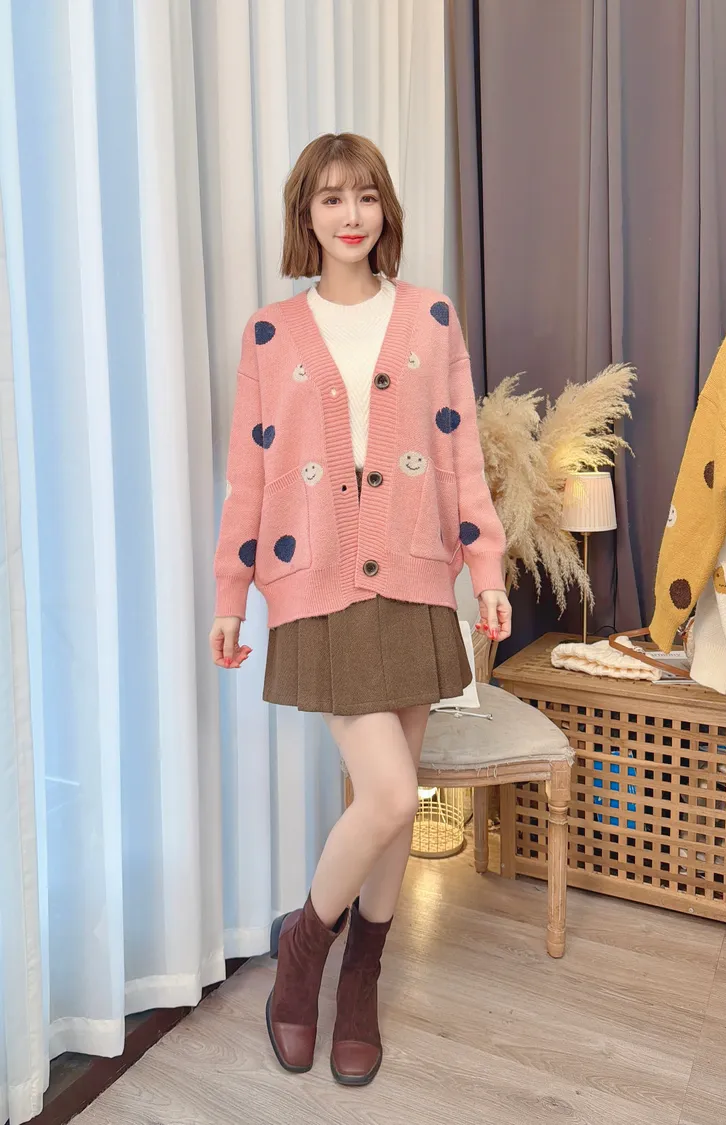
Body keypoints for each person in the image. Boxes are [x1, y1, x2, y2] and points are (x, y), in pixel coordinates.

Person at [208, 132, 511, 1087]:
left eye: (367, 195)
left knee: (394, 799)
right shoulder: (271, 334)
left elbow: (459, 455)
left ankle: (361, 980)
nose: (352, 215)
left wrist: (488, 570)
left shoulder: (430, 318)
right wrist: (230, 592)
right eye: (332, 197)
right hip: (318, 583)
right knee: (386, 794)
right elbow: (248, 474)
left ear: (386, 209)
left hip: (417, 576)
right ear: (306, 213)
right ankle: (304, 954)